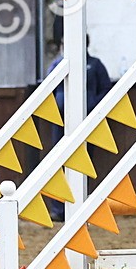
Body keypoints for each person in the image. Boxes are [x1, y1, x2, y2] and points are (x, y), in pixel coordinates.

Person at [45, 35, 114, 221]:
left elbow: (106, 90)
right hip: (61, 122)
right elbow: (47, 89)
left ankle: (80, 205)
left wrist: (92, 107)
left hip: (87, 122)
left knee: (83, 163)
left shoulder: (95, 65)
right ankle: (59, 209)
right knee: (58, 163)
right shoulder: (57, 64)